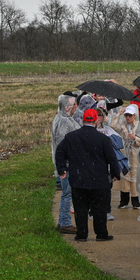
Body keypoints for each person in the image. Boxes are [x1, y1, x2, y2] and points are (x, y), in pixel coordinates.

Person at [55, 108, 121, 242]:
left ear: (83, 120)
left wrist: (62, 169)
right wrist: (115, 173)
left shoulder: (71, 137)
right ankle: (101, 234)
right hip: (99, 180)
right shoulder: (103, 139)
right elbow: (112, 158)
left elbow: (59, 152)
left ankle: (81, 234)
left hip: (78, 180)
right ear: (96, 120)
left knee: (80, 209)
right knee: (100, 209)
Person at [52, 93, 80, 234]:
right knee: (67, 193)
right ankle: (65, 222)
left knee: (67, 192)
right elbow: (62, 144)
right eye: (74, 104)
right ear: (68, 107)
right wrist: (63, 166)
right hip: (67, 165)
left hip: (66, 163)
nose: (76, 107)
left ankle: (62, 221)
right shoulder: (64, 121)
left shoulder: (62, 118)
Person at [111, 103, 140, 210]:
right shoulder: (123, 125)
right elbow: (113, 126)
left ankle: (135, 202)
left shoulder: (139, 126)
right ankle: (123, 201)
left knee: (135, 178)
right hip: (125, 154)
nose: (128, 117)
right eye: (126, 115)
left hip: (135, 155)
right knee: (124, 177)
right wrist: (118, 114)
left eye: (130, 115)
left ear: (134, 116)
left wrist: (135, 139)